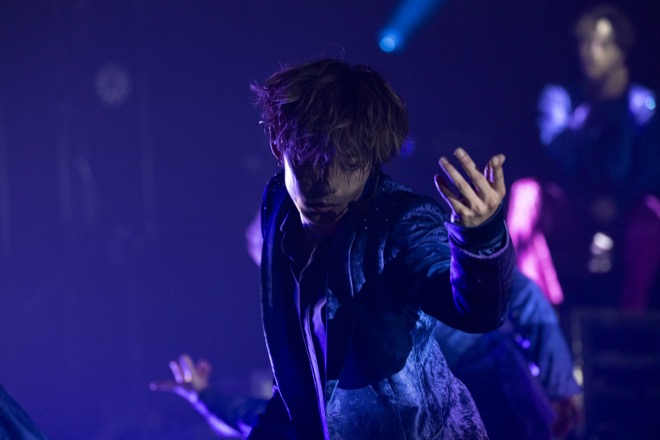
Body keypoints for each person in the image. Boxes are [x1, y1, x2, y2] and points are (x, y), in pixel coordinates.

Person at [210, 56, 515, 440]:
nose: (328, 184)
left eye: (350, 163)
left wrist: (480, 237)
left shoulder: (401, 220)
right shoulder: (277, 206)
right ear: (277, 145)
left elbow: (477, 314)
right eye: (309, 162)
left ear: (371, 158)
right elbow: (300, 375)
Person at [151, 271, 581, 440]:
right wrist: (205, 398)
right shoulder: (320, 343)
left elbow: (520, 294)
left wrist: (561, 387)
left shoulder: (394, 263)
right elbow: (278, 423)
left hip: (492, 387)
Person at [507, 4, 660, 311]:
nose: (592, 52)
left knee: (652, 212)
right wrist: (596, 107)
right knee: (525, 193)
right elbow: (558, 153)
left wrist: (617, 203)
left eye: (603, 44)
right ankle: (537, 311)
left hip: (621, 213)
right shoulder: (559, 98)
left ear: (621, 52)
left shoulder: (642, 104)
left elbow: (650, 168)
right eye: (586, 42)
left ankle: (632, 316)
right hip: (571, 209)